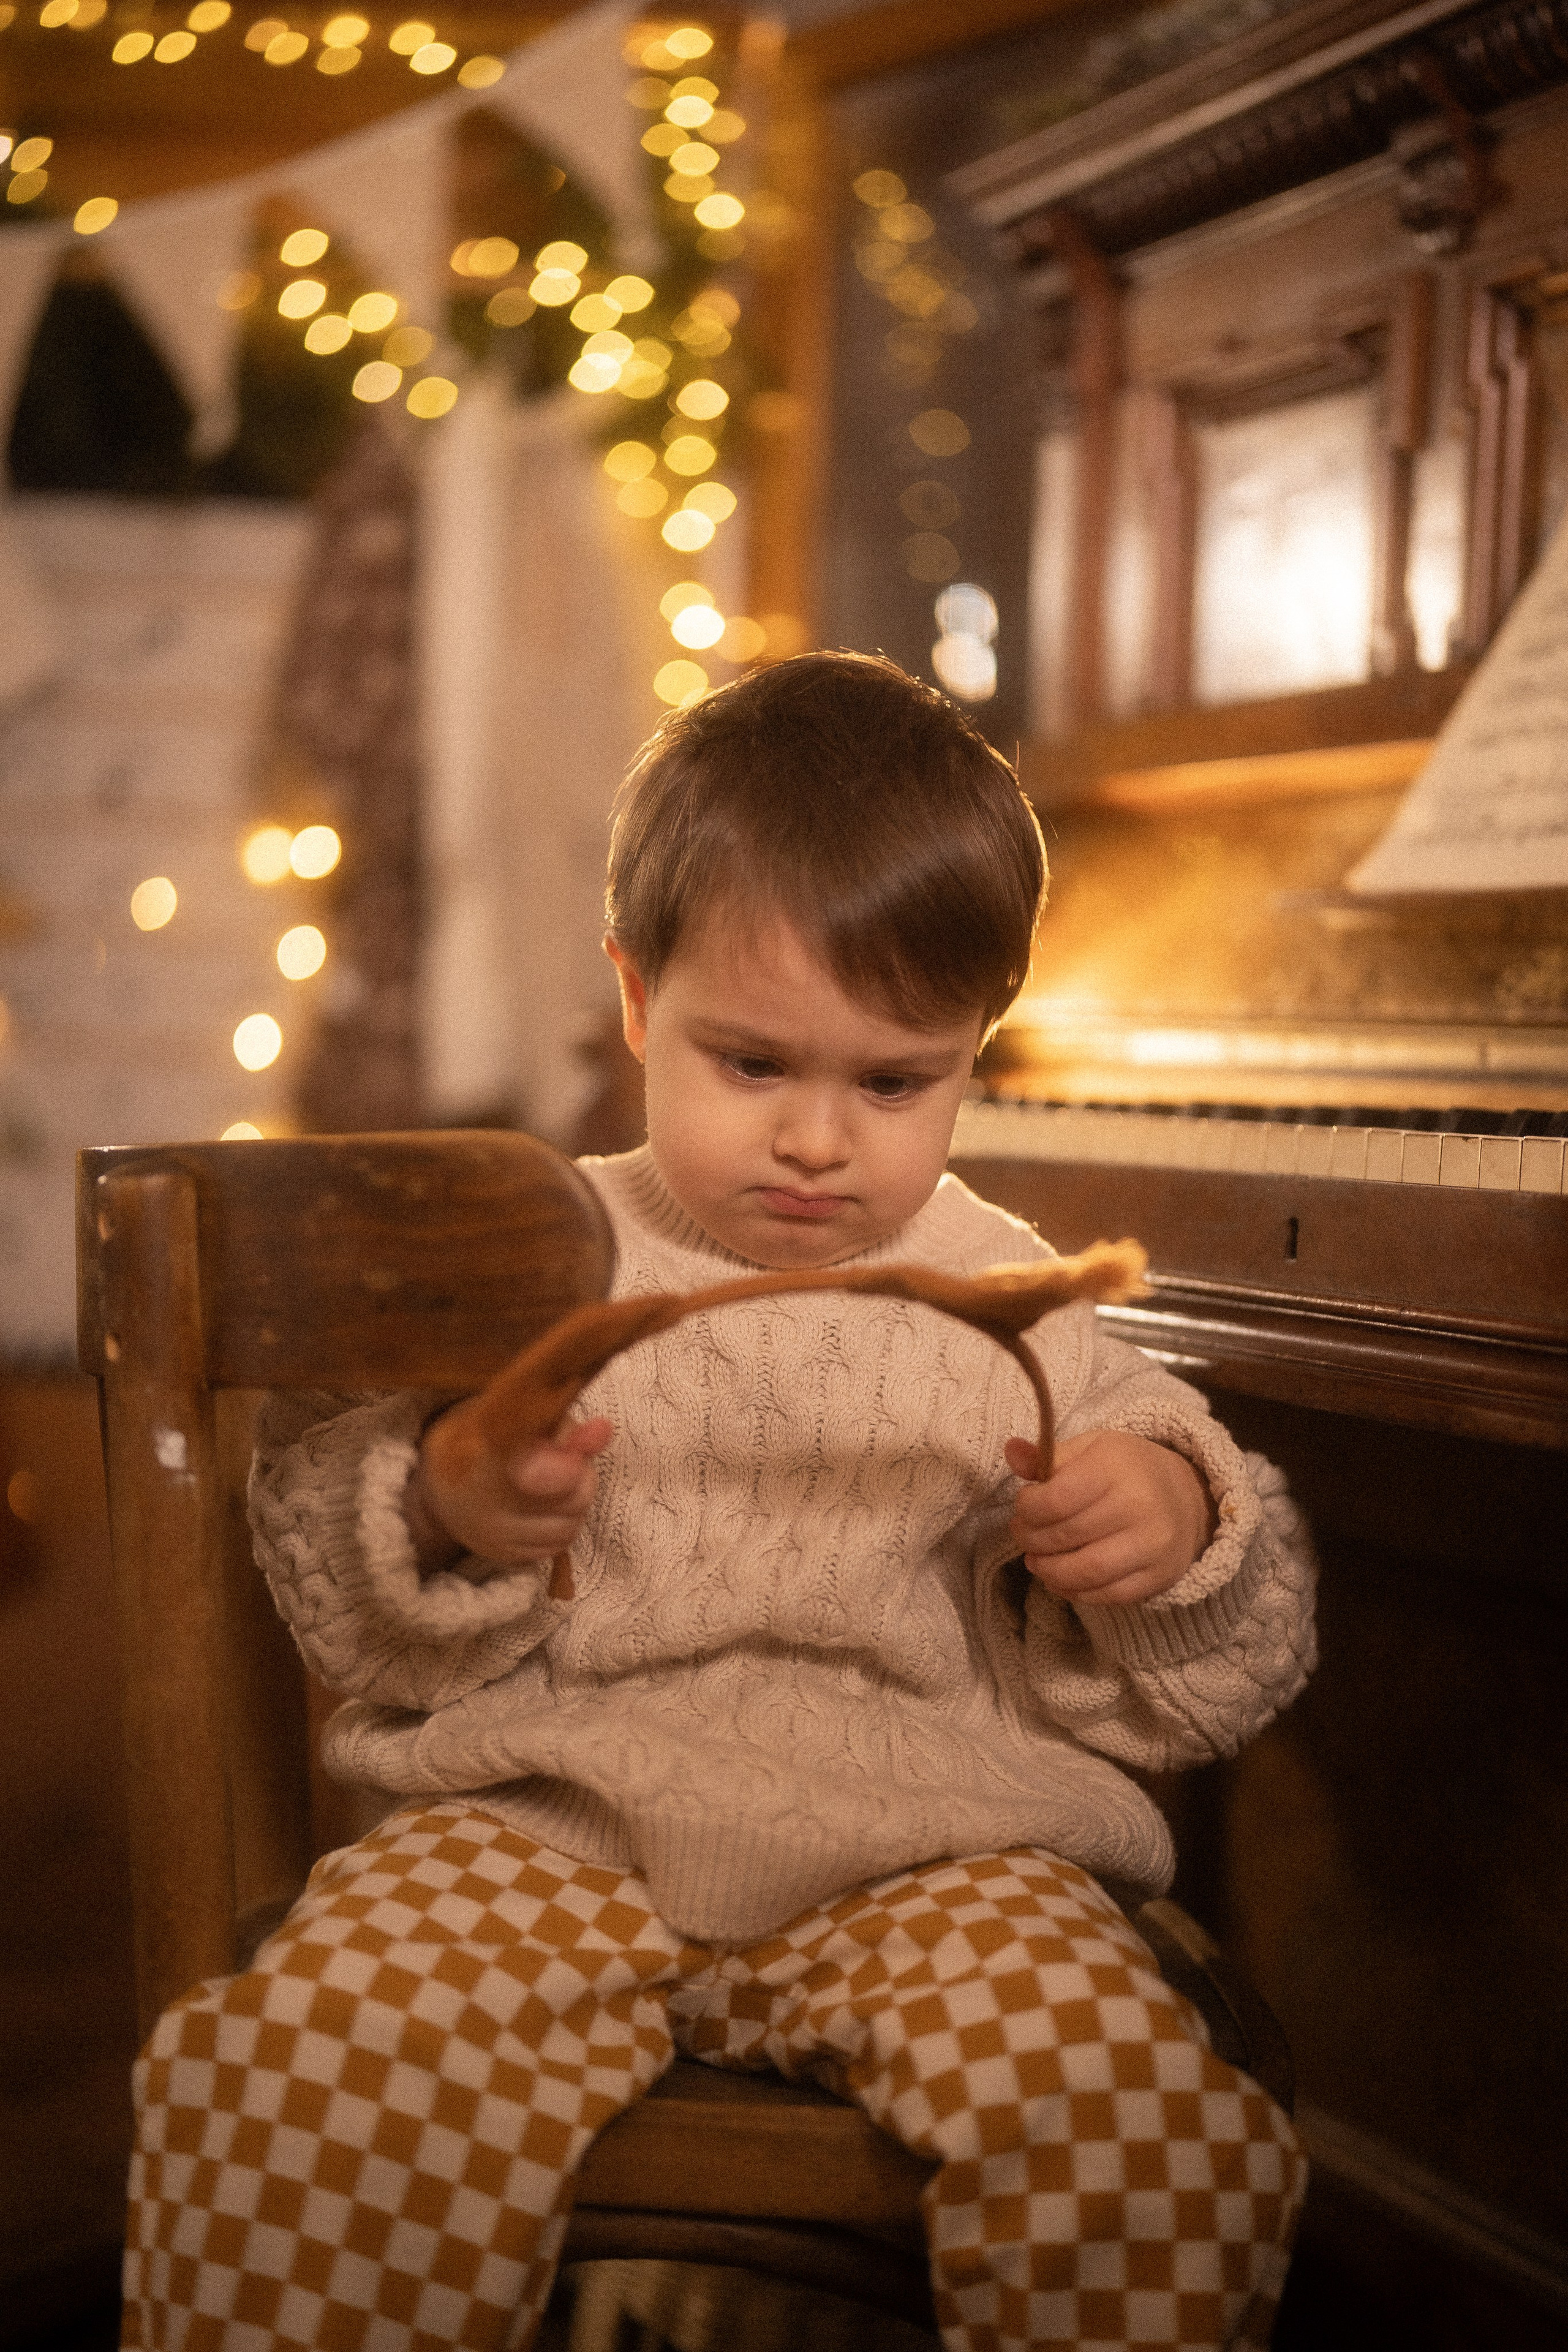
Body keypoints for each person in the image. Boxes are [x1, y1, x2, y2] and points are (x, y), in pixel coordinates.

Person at [123, 654, 1315, 2352]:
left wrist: (1173, 1532)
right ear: (635, 994)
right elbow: (329, 1555)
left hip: (934, 1858)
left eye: (894, 1082)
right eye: (752, 1065)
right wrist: (451, 1505)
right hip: (541, 1828)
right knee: (306, 2079)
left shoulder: (1019, 1299)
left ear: (977, 1046)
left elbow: (1222, 1664)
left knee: (1136, 2123)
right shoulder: (530, 1262)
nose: (821, 1141)